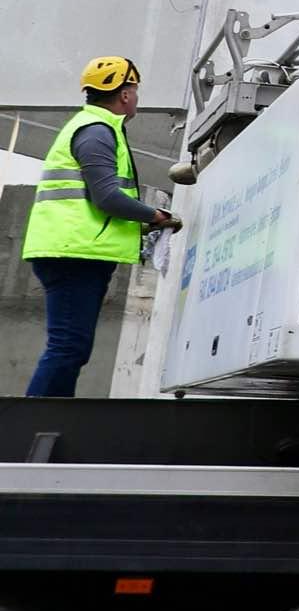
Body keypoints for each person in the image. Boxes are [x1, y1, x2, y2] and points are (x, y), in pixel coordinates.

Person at [20, 56, 180, 398]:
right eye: (134, 90)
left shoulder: (94, 127)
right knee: (68, 347)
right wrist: (156, 216)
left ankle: (43, 417)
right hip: (73, 253)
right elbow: (106, 196)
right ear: (125, 94)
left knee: (72, 347)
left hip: (74, 251)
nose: (136, 97)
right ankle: (34, 422)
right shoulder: (96, 132)